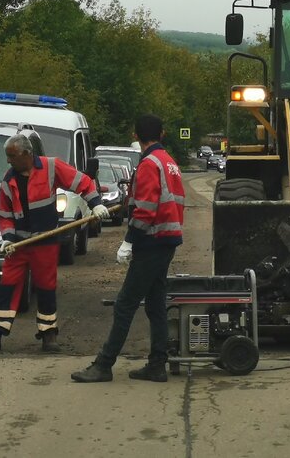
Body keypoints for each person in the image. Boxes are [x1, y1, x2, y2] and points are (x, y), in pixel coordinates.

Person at [71, 113, 185, 383]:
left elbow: (145, 210)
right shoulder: (169, 162)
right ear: (162, 134)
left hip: (152, 242)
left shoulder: (149, 164)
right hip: (166, 240)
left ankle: (104, 364)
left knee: (125, 304)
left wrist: (129, 241)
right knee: (155, 304)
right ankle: (157, 364)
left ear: (135, 136)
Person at [0, 131, 109, 353]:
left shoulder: (51, 167)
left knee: (46, 287)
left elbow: (82, 182)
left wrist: (95, 204)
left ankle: (48, 335)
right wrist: (7, 239)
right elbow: (5, 215)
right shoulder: (8, 180)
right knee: (8, 284)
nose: (8, 160)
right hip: (18, 244)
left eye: (12, 155)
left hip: (45, 242)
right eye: (7, 156)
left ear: (26, 154)